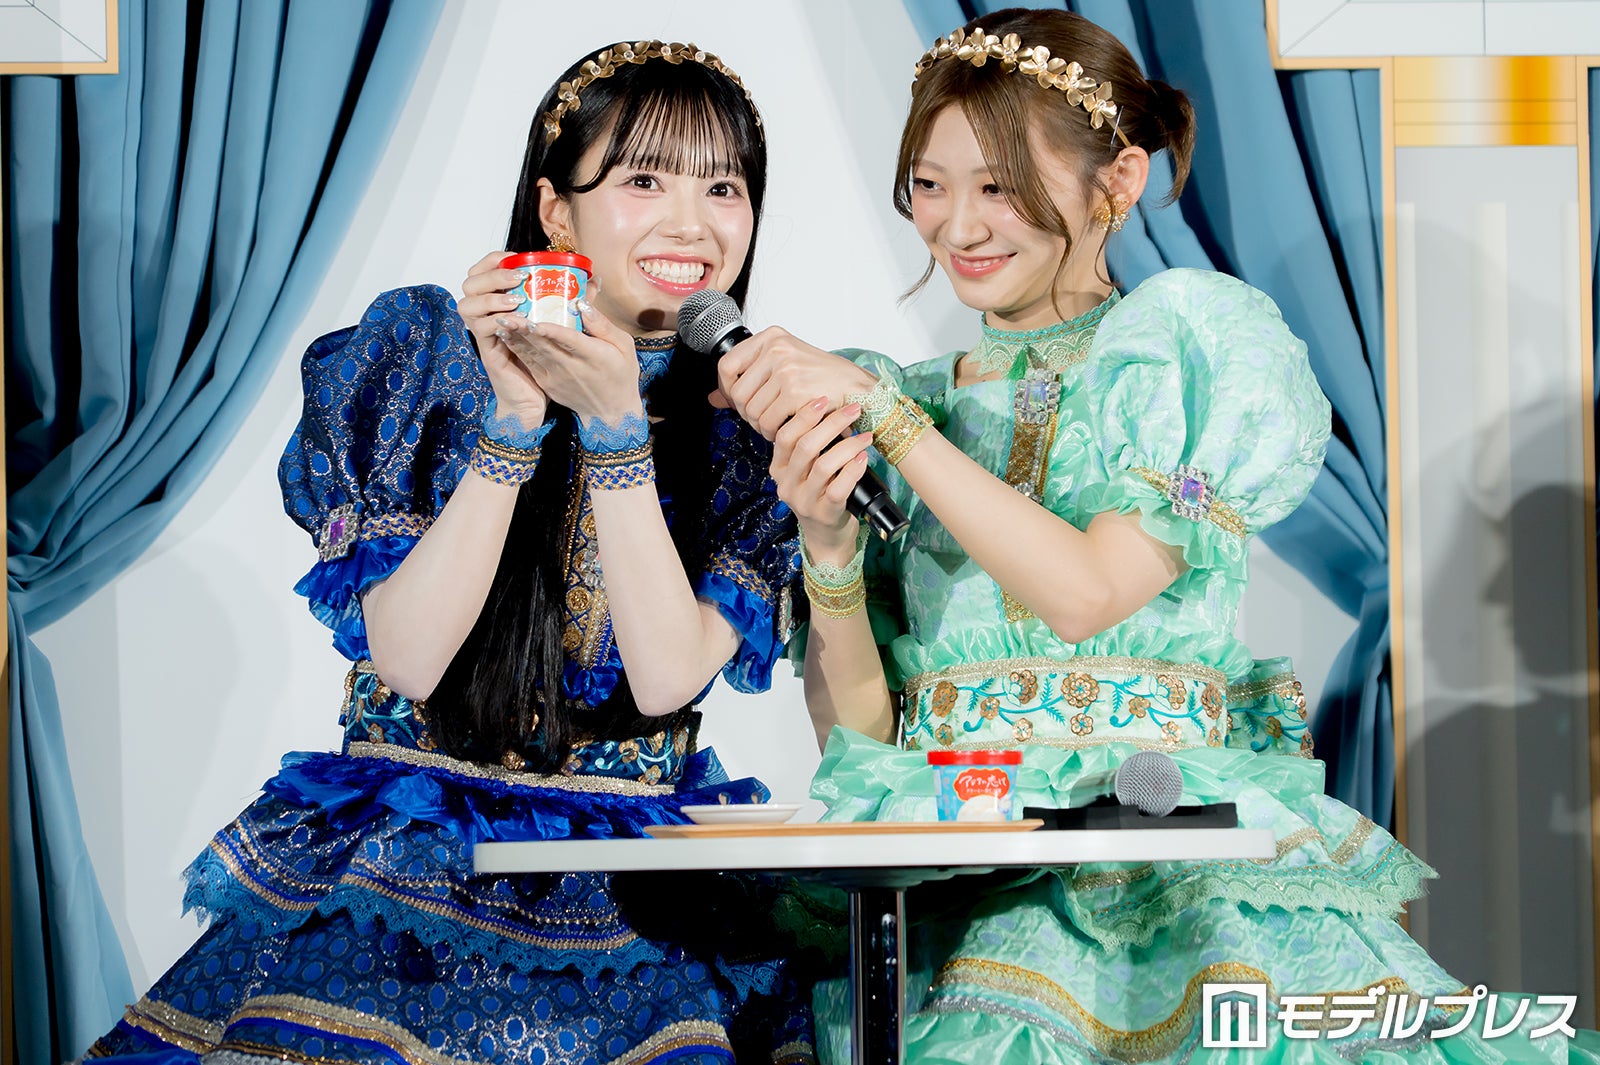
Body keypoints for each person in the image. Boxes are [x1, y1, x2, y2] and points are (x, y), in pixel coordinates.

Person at [712, 9, 1592, 1063]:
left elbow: (1088, 593)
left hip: (1160, 871)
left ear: (1118, 181)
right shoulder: (909, 406)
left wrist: (894, 426)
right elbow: (858, 741)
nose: (957, 226)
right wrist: (829, 547)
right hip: (957, 886)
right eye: (930, 185)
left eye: (1000, 186)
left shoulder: (1173, 358)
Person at [86, 39, 817, 1065]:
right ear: (555, 210)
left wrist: (616, 429)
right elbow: (409, 657)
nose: (692, 224)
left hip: (634, 898)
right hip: (409, 861)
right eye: (644, 180)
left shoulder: (748, 427)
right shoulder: (425, 354)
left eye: (724, 187)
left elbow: (663, 679)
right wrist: (514, 418)